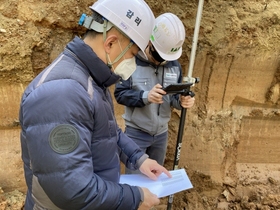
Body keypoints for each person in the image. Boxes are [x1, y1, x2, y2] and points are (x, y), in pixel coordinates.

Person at [19, 0, 172, 209]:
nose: (132, 64)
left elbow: (107, 132)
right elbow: (73, 190)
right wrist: (135, 197)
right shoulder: (62, 93)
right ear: (110, 43)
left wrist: (138, 159)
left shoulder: (91, 80)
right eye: (133, 55)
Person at [114, 13, 195, 174]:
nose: (160, 61)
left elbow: (173, 99)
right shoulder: (131, 61)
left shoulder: (174, 66)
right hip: (136, 134)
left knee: (155, 181)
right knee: (136, 187)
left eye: (164, 57)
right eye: (158, 55)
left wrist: (182, 101)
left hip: (161, 135)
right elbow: (120, 94)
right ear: (150, 42)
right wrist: (146, 97)